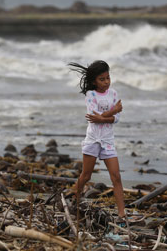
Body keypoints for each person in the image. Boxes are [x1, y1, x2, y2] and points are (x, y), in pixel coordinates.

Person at [68, 60, 126, 220]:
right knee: (86, 176)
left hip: (108, 141)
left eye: (108, 78)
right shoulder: (90, 95)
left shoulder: (113, 94)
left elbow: (116, 118)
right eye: (102, 79)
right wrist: (113, 111)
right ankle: (74, 201)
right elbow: (94, 117)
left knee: (116, 177)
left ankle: (122, 214)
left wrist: (107, 117)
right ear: (94, 81)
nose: (106, 82)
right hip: (93, 140)